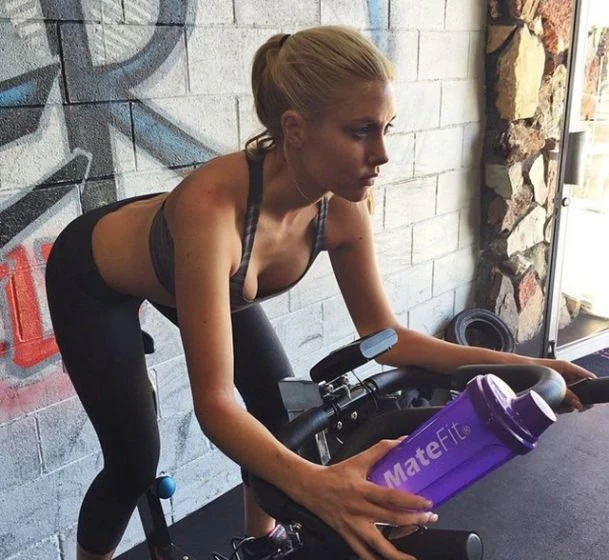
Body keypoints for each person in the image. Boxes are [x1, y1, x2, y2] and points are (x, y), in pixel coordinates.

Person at [45, 25, 595, 560]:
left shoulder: (342, 209)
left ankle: (261, 544)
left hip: (200, 268)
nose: (382, 153)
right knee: (134, 460)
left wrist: (525, 367)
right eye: (361, 131)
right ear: (295, 128)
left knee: (284, 415)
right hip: (94, 278)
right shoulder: (211, 212)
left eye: (387, 128)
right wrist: (318, 487)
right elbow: (214, 405)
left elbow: (390, 338)